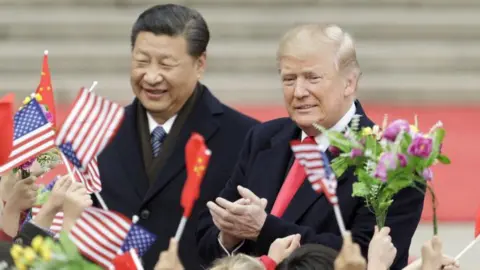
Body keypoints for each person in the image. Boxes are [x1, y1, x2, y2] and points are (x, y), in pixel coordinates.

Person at [196, 23, 424, 269]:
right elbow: (206, 238)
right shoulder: (264, 138)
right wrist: (230, 237)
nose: (299, 92)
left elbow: (368, 257)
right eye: (289, 79)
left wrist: (264, 228)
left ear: (350, 82)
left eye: (312, 78)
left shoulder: (391, 160)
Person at [95, 4, 259, 269]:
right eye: (141, 62)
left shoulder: (245, 137)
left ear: (200, 63)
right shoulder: (99, 130)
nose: (151, 76)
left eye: (166, 64)